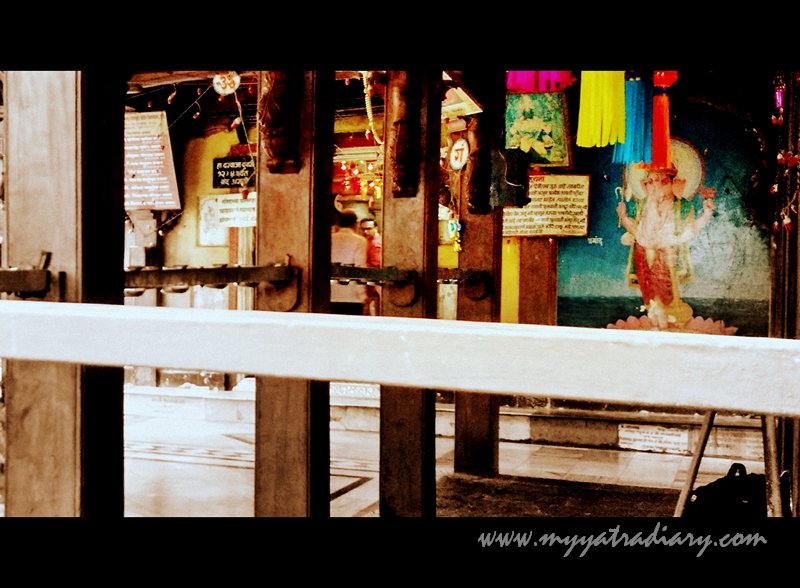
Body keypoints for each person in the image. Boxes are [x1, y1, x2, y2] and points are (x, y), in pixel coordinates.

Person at [617, 165, 715, 330]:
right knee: (650, 295)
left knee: (670, 294)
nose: (657, 187)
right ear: (646, 184)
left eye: (663, 182)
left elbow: (690, 230)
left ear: (672, 183)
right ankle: (656, 321)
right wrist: (623, 217)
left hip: (668, 256)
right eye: (652, 182)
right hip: (644, 255)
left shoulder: (680, 206)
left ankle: (671, 323)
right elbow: (636, 230)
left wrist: (706, 214)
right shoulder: (643, 205)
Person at [331, 209, 368, 315]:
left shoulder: (330, 239)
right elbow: (359, 268)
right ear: (355, 224)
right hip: (352, 295)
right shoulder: (359, 241)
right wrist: (362, 295)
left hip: (330, 293)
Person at [359, 217, 382, 316]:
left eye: (368, 229)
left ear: (375, 228)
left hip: (373, 283)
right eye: (363, 229)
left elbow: (376, 263)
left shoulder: (376, 243)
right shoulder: (367, 241)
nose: (365, 231)